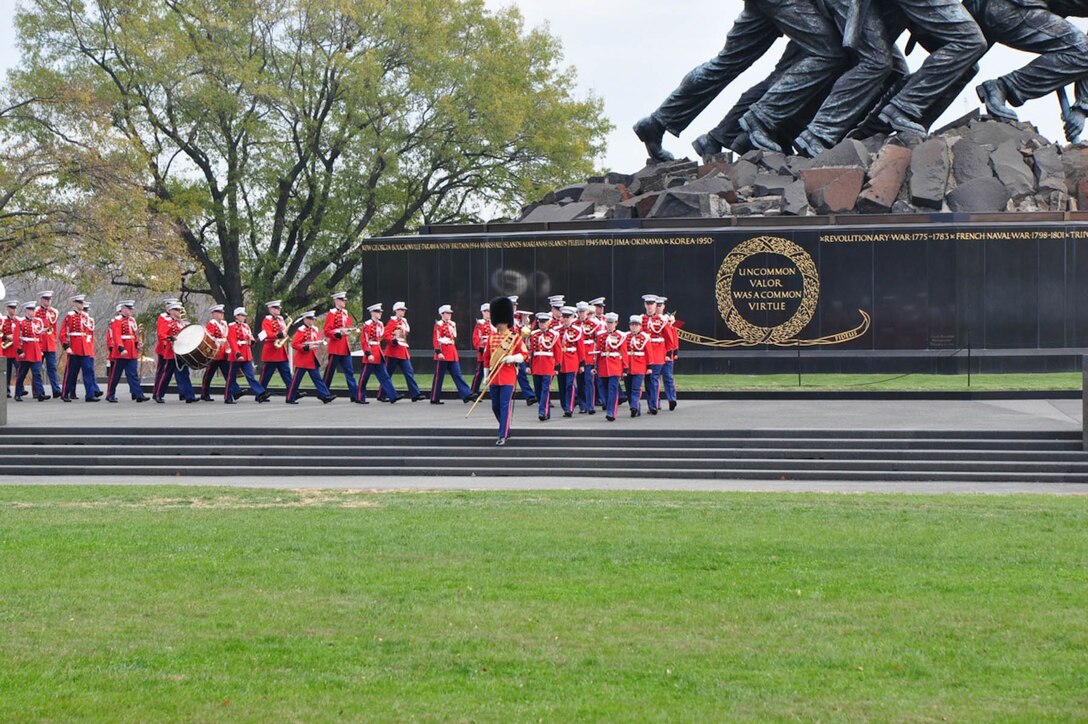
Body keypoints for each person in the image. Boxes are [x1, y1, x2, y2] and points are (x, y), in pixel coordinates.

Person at [483, 296, 527, 446]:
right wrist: (485, 376)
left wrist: (513, 358)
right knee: (495, 406)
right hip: (494, 377)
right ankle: (506, 426)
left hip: (508, 376)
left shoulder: (514, 338)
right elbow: (486, 358)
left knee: (504, 405)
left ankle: (502, 434)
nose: (500, 325)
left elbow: (525, 354)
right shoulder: (491, 337)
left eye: (502, 322)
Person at [285, 311, 336, 404]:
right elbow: (294, 344)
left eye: (312, 319)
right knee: (296, 381)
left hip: (311, 358)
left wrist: (318, 344)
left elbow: (315, 341)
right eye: (309, 319)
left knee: (318, 379)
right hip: (302, 359)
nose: (311, 321)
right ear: (304, 319)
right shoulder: (301, 330)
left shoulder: (315, 329)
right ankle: (290, 398)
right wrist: (304, 347)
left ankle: (325, 395)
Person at [105, 300, 148, 402]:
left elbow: (134, 334)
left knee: (133, 374)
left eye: (131, 309)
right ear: (123, 309)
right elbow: (116, 336)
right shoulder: (117, 320)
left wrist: (137, 344)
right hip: (121, 352)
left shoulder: (132, 320)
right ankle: (110, 394)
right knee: (115, 375)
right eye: (128, 309)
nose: (130, 311)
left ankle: (138, 394)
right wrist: (121, 348)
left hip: (132, 350)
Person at [225, 307, 271, 404]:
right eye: (242, 315)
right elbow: (232, 342)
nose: (244, 317)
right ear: (236, 316)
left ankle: (261, 393)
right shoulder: (232, 327)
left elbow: (250, 338)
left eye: (244, 315)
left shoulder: (246, 326)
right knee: (231, 377)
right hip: (236, 355)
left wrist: (253, 341)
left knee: (250, 376)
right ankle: (228, 397)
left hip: (246, 354)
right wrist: (238, 354)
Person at [382, 301, 426, 401]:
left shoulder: (403, 322)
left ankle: (415, 394)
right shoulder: (392, 322)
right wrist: (393, 340)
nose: (403, 311)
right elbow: (386, 335)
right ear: (396, 311)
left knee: (409, 372)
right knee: (387, 374)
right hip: (393, 352)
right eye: (401, 310)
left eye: (404, 310)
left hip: (402, 350)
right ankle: (382, 394)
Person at [153, 302, 196, 403]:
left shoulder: (181, 323)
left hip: (181, 351)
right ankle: (158, 394)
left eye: (179, 310)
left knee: (184, 373)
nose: (178, 312)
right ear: (171, 311)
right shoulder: (167, 321)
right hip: (171, 351)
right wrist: (170, 337)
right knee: (166, 374)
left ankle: (190, 396)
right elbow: (162, 334)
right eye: (176, 310)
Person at [357, 303, 399, 404]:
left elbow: (384, 335)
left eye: (380, 312)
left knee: (384, 376)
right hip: (371, 352)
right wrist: (368, 353)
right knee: (364, 377)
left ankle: (393, 396)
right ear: (372, 313)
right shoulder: (367, 324)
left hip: (378, 352)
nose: (380, 313)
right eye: (377, 312)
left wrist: (393, 337)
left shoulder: (380, 324)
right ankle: (359, 397)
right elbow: (364, 341)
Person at [431, 304, 473, 404]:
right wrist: (438, 352)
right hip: (443, 353)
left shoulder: (452, 324)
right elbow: (436, 339)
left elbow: (453, 337)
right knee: (439, 377)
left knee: (457, 375)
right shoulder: (439, 325)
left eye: (450, 313)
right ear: (442, 314)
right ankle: (434, 398)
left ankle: (466, 394)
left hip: (452, 353)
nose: (449, 315)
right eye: (447, 313)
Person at [59, 294, 98, 402]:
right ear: (75, 303)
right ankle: (65, 393)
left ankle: (90, 394)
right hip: (74, 348)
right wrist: (66, 346)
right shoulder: (70, 316)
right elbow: (63, 333)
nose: (81, 305)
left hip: (85, 348)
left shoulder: (85, 317)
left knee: (88, 371)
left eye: (82, 303)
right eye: (79, 303)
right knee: (70, 373)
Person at [322, 291, 359, 401]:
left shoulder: (345, 313)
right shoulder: (332, 313)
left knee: (349, 372)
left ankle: (354, 395)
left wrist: (348, 331)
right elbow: (327, 331)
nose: (344, 302)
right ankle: (324, 393)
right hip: (335, 346)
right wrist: (337, 334)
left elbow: (347, 326)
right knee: (330, 371)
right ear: (336, 301)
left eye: (345, 300)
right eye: (342, 300)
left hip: (344, 346)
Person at [596, 313, 629, 422]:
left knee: (612, 389)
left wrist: (625, 368)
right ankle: (608, 408)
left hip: (615, 365)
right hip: (603, 365)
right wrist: (594, 366)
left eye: (612, 323)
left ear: (616, 323)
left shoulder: (620, 336)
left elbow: (624, 352)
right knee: (605, 389)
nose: (610, 325)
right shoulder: (601, 335)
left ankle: (611, 412)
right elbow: (598, 352)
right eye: (608, 322)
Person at [529, 312, 560, 422]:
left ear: (549, 322)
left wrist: (557, 367)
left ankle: (542, 411)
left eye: (544, 322)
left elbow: (558, 351)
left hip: (548, 365)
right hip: (537, 365)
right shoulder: (534, 334)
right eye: (540, 322)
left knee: (545, 389)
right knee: (538, 390)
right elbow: (531, 351)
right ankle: (546, 412)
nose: (542, 324)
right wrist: (529, 365)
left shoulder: (554, 335)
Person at [258, 300, 294, 393]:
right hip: (271, 351)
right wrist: (278, 335)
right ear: (270, 309)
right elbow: (265, 333)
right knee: (266, 375)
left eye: (278, 308)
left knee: (287, 374)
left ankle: (293, 393)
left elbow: (284, 331)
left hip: (281, 351)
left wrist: (285, 336)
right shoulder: (267, 320)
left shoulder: (281, 319)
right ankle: (260, 393)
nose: (278, 310)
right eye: (275, 308)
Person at [14, 301, 46, 401]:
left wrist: (40, 349)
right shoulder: (21, 322)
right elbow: (16, 338)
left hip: (36, 351)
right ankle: (18, 393)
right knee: (22, 374)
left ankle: (40, 393)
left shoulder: (38, 322)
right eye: (30, 310)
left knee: (37, 373)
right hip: (26, 351)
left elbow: (40, 337)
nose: (33, 312)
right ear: (26, 311)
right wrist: (19, 351)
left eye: (33, 310)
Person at [556, 306, 584, 418]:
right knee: (562, 386)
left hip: (572, 360)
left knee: (569, 385)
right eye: (564, 316)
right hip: (560, 362)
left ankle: (569, 408)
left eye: (568, 317)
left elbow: (581, 348)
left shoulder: (577, 330)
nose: (566, 319)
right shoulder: (557, 330)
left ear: (572, 317)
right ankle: (564, 405)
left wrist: (582, 363)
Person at [641, 294, 667, 416]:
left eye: (652, 304)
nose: (650, 307)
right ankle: (652, 403)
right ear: (645, 305)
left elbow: (669, 337)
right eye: (648, 304)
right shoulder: (641, 320)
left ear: (656, 306)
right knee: (647, 380)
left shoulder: (662, 320)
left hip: (657, 352)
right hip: (644, 354)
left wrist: (669, 353)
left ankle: (654, 404)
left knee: (654, 378)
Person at [510, 297, 538, 406]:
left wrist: (525, 323)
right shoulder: (506, 319)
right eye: (512, 305)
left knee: (521, 372)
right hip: (509, 349)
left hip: (518, 349)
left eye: (515, 305)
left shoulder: (519, 319)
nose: (514, 307)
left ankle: (529, 396)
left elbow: (526, 334)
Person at [34, 290, 62, 399]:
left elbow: (53, 329)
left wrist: (52, 339)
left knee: (52, 367)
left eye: (49, 299)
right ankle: (37, 391)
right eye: (46, 299)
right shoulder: (36, 311)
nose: (48, 301)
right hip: (39, 343)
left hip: (49, 343)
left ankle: (56, 390)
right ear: (41, 300)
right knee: (37, 368)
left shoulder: (53, 312)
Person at [199, 305, 230, 401]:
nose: (222, 315)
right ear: (214, 314)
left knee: (227, 374)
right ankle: (204, 393)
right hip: (215, 353)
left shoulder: (224, 324)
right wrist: (217, 341)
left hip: (223, 351)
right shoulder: (212, 324)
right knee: (209, 374)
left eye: (222, 313)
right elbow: (210, 337)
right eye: (219, 313)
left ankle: (233, 392)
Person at [575, 302, 598, 415]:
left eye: (583, 311)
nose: (582, 314)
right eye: (580, 312)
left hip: (589, 355)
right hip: (578, 357)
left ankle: (590, 405)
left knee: (589, 381)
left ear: (587, 312)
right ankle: (582, 405)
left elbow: (597, 341)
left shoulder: (593, 325)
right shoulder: (574, 324)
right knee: (580, 382)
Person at [626, 315, 651, 417]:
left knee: (635, 388)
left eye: (636, 325)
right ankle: (636, 407)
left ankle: (634, 407)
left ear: (640, 326)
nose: (634, 327)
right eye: (632, 325)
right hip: (628, 367)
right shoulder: (625, 337)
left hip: (640, 366)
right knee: (628, 389)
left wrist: (650, 367)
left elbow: (649, 353)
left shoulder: (644, 337)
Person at [470, 302, 495, 397]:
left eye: (489, 311)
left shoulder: (493, 323)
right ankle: (473, 392)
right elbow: (476, 338)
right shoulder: (480, 324)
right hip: (484, 349)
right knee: (480, 372)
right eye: (486, 311)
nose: (488, 313)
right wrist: (479, 347)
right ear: (482, 312)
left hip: (493, 349)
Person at [660, 296, 679, 411]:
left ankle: (671, 399)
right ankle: (655, 403)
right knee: (653, 379)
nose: (657, 307)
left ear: (663, 306)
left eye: (659, 305)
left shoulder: (668, 320)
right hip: (655, 352)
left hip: (667, 352)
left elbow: (673, 336)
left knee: (667, 377)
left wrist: (674, 351)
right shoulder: (648, 320)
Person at [2, 300, 18, 398]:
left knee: (19, 370)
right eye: (12, 308)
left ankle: (20, 389)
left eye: (15, 308)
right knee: (7, 372)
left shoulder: (18, 320)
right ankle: (6, 390)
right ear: (8, 309)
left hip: (16, 350)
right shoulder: (3, 321)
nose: (13, 310)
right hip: (6, 350)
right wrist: (7, 337)